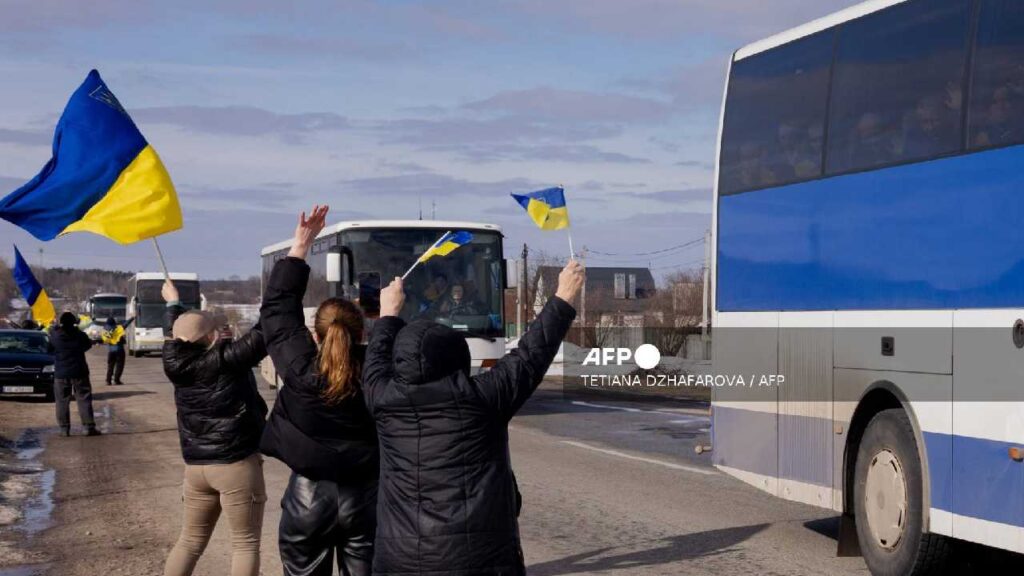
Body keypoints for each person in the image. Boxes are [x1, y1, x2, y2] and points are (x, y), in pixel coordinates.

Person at [363, 258, 584, 575]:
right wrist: (563, 297)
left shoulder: (382, 400)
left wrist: (388, 314)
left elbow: (375, 360)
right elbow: (531, 354)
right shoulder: (484, 398)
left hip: (400, 560)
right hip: (482, 562)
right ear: (457, 357)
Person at [259, 205, 379, 576]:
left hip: (307, 499)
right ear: (362, 334)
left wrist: (300, 247)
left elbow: (277, 313)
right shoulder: (379, 371)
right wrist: (389, 316)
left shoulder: (299, 367)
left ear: (315, 334)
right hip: (367, 498)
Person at [161, 280, 269, 576]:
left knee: (190, 542)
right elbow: (263, 333)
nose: (221, 331)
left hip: (196, 468)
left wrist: (173, 303)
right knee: (245, 544)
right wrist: (277, 294)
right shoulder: (225, 361)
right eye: (215, 329)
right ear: (209, 336)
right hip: (234, 464)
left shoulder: (174, 361)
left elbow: (180, 331)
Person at [49, 312, 99, 437]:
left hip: (61, 373)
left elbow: (49, 349)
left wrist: (55, 329)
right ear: (74, 322)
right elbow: (87, 345)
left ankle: (64, 429)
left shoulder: (55, 336)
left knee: (61, 401)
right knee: (84, 398)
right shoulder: (80, 335)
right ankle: (88, 427)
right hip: (79, 371)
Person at [101, 316, 133, 386]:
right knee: (119, 365)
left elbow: (104, 340)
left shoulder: (104, 330)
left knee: (110, 366)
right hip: (119, 350)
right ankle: (116, 380)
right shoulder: (118, 328)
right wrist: (132, 317)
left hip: (111, 351)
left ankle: (108, 380)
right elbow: (126, 323)